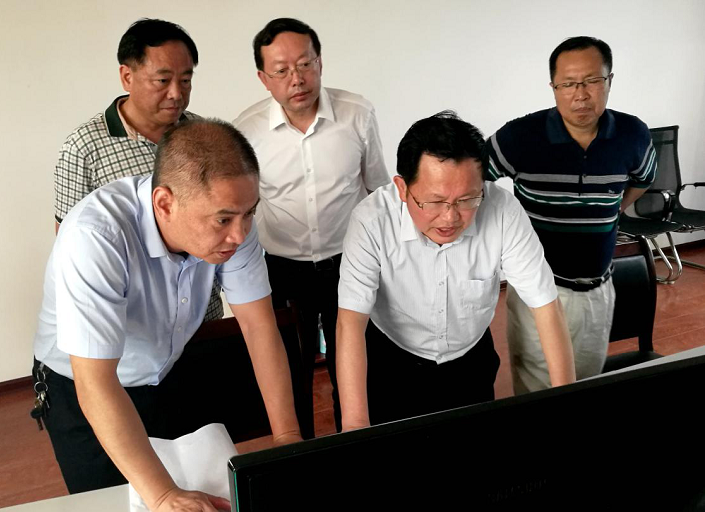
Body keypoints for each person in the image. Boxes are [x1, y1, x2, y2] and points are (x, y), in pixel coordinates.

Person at [33, 119, 302, 512]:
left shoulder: (233, 219)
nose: (240, 234)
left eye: (250, 213)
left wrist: (288, 441)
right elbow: (95, 382)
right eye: (224, 220)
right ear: (164, 203)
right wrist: (162, 496)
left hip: (165, 367)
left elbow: (259, 326)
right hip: (83, 386)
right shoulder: (95, 237)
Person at [336, 111, 575, 430]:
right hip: (393, 357)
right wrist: (355, 425)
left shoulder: (502, 210)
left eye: (466, 200)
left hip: (469, 357)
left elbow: (545, 306)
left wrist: (566, 401)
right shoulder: (371, 221)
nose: (450, 218)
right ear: (402, 188)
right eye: (435, 202)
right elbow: (350, 323)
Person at [233, 18, 390, 433]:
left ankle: (352, 445)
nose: (297, 79)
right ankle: (298, 453)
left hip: (349, 261)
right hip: (282, 268)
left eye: (305, 64)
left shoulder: (357, 114)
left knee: (354, 369)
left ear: (320, 62)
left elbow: (378, 191)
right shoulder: (247, 131)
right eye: (281, 70)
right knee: (289, 373)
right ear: (263, 78)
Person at [486, 36, 657, 394]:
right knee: (538, 392)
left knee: (587, 384)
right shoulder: (521, 136)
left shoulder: (633, 135)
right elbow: (472, 180)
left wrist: (615, 207)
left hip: (598, 289)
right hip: (537, 290)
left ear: (609, 81)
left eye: (592, 80)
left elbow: (643, 179)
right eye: (568, 84)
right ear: (553, 87)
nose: (580, 94)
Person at [54, 18, 223, 321]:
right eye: (163, 80)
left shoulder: (205, 136)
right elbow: (70, 247)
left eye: (186, 80)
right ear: (127, 76)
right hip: (132, 327)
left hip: (203, 317)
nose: (176, 93)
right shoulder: (84, 147)